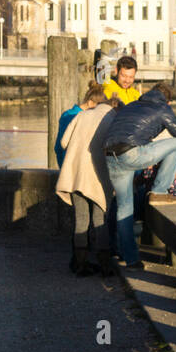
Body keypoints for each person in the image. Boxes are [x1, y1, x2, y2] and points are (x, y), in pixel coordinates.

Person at [102, 81, 176, 269]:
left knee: (124, 207)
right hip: (131, 153)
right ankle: (158, 192)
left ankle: (131, 258)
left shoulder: (134, 105)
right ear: (167, 101)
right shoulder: (162, 108)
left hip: (110, 155)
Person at [56, 83, 119, 277]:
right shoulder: (114, 120)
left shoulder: (81, 115)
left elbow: (63, 142)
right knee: (100, 220)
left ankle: (81, 264)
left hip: (75, 175)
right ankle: (106, 265)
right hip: (98, 178)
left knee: (81, 220)